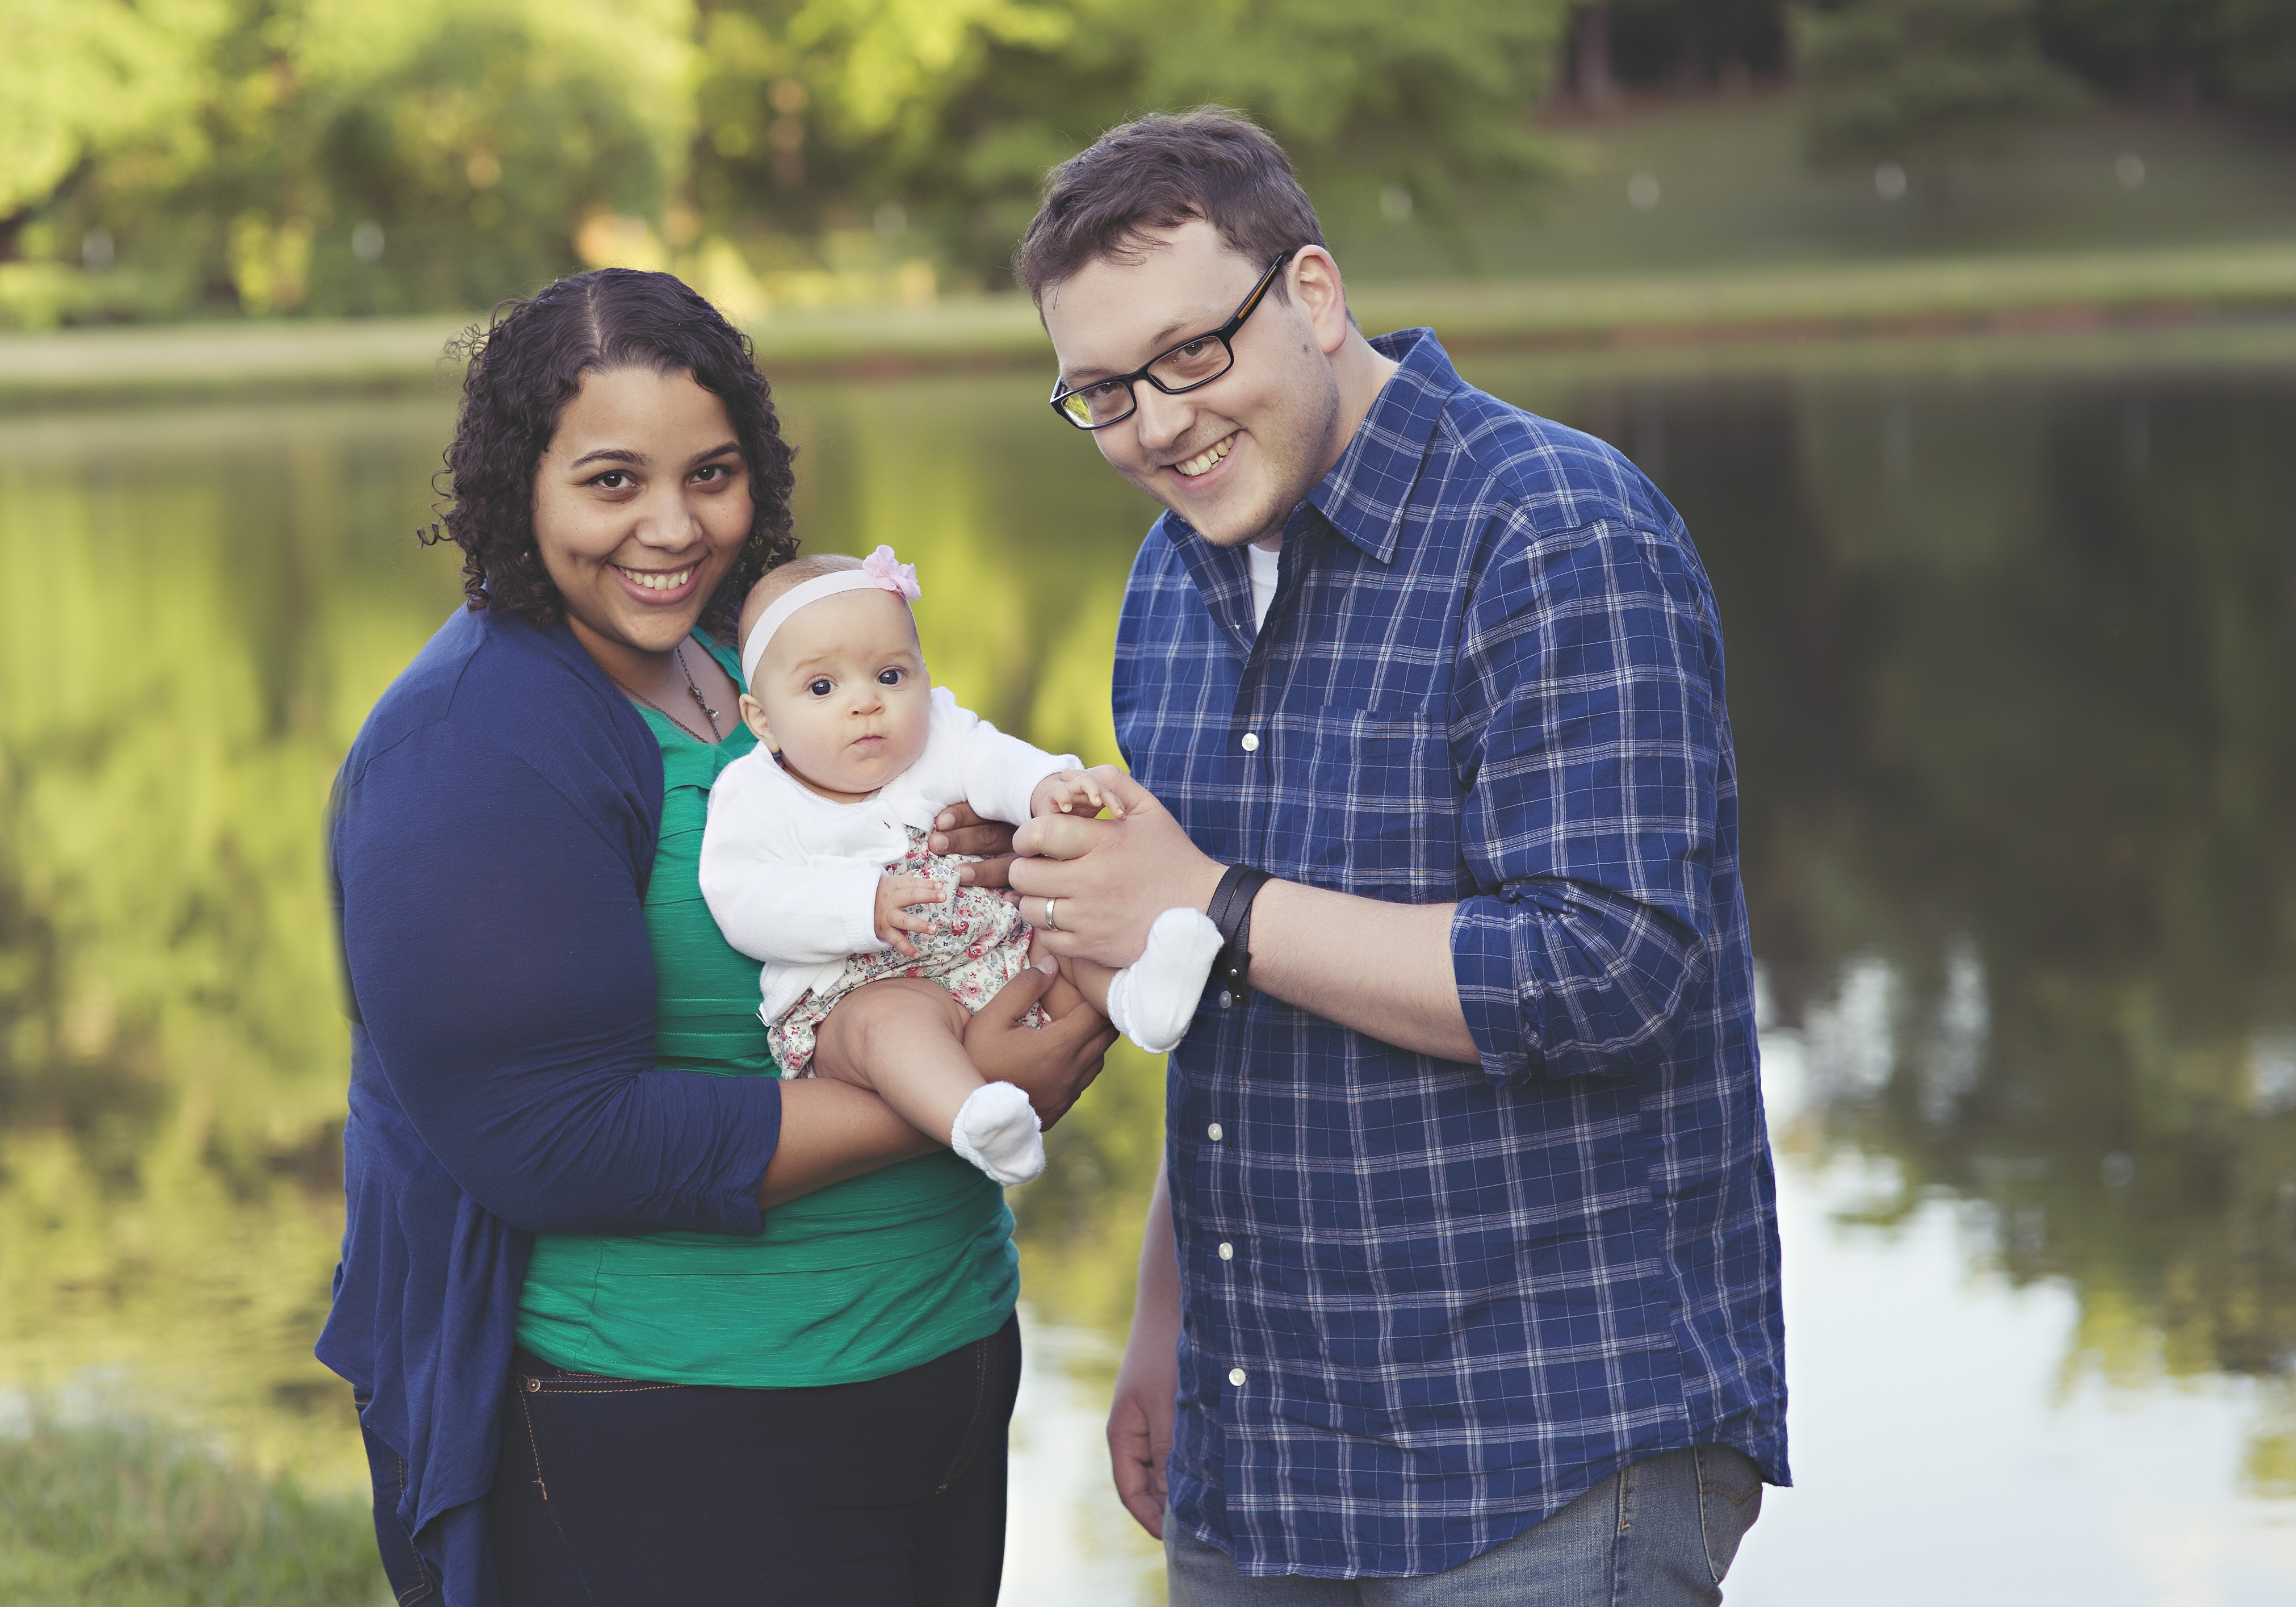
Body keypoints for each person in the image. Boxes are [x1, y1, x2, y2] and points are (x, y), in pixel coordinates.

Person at [1002, 109, 1790, 1603]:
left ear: (1311, 294)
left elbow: (1602, 971)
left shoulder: (1551, 525)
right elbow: (1212, 985)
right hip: (1270, 1463)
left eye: (1191, 354)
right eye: (1101, 393)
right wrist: (1163, 1323)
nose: (1157, 424)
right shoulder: (1174, 576)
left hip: (1552, 1456)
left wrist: (1207, 899)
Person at [315, 267, 1115, 1607]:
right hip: (680, 1422)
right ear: (522, 482)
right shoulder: (471, 742)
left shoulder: (766, 653)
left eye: (714, 472)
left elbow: (920, 836)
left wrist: (1007, 857)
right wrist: (965, 1095)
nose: (674, 528)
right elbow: (547, 1140)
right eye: (614, 481)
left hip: (945, 1367)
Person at [700, 547, 1226, 1186]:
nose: (865, 703)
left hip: (992, 949)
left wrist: (1041, 787)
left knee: (1065, 920)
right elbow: (743, 901)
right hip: (855, 987)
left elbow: (990, 759)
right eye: (821, 687)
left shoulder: (936, 734)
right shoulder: (752, 794)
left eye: (890, 676)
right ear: (762, 720)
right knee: (889, 1027)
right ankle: (975, 1116)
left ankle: (1142, 1000)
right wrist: (858, 907)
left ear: (923, 674)